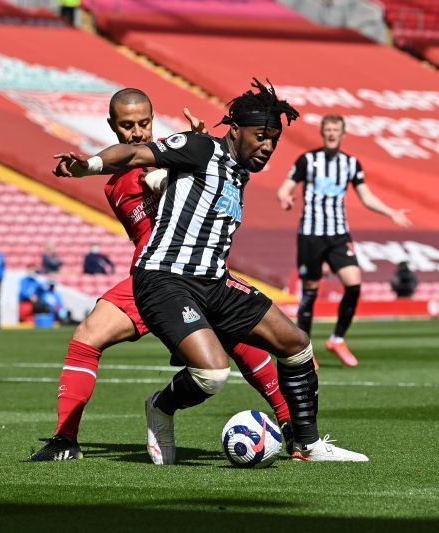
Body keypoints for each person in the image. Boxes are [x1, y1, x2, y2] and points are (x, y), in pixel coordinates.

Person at [52, 79, 368, 463]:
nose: (266, 147)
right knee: (209, 373)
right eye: (260, 137)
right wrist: (89, 166)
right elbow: (138, 162)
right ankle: (124, 418)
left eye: (273, 141)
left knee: (294, 343)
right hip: (163, 276)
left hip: (213, 278)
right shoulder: (189, 151)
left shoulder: (233, 167)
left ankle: (306, 442)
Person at [31, 89, 290, 462]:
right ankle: (65, 440)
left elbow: (190, 178)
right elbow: (153, 183)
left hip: (200, 272)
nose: (137, 132)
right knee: (87, 338)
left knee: (242, 344)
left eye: (144, 123)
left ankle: (292, 427)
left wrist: (200, 155)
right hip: (153, 277)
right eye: (127, 125)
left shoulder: (178, 154)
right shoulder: (118, 181)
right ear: (112, 127)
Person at [278, 114, 411, 367]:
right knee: (310, 293)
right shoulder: (308, 160)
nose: (331, 133)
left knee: (354, 284)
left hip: (339, 234)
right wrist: (285, 198)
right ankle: (305, 350)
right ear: (322, 132)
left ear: (342, 134)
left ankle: (337, 338)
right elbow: (285, 188)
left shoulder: (351, 163)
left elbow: (366, 196)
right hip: (311, 234)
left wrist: (390, 211)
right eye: (327, 129)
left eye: (335, 130)